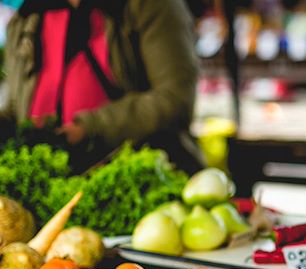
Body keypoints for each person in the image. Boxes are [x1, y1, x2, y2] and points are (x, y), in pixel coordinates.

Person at [1, 0, 205, 173]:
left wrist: (91, 128)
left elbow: (175, 100)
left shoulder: (147, 7)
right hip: (53, 189)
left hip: (143, 176)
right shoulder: (26, 18)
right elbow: (18, 104)